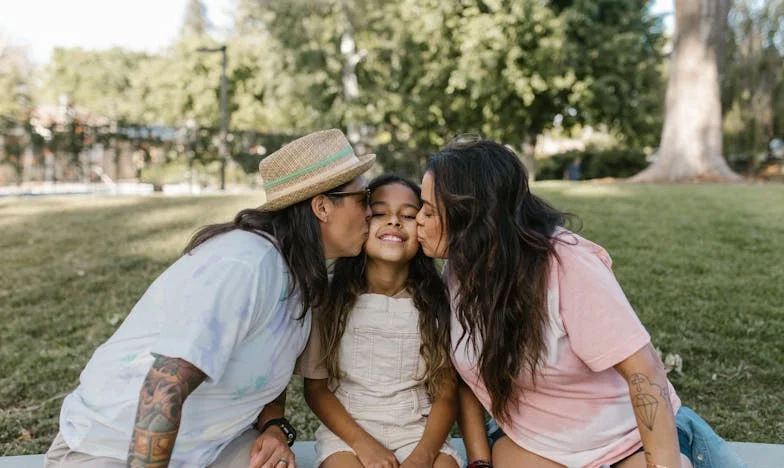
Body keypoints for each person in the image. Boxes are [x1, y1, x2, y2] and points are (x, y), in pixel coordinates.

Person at [44, 129, 375, 468]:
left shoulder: (303, 275)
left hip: (211, 447)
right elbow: (164, 384)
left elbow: (268, 363)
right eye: (364, 198)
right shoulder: (246, 264)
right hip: (116, 449)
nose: (371, 212)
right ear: (321, 206)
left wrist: (272, 425)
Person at [414, 138, 747, 468]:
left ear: (471, 218)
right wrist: (480, 462)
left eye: (429, 211)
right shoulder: (459, 269)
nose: (418, 219)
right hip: (536, 444)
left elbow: (645, 372)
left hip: (627, 439)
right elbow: (469, 375)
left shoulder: (568, 266)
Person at [297, 174, 463, 468]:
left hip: (418, 431)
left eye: (409, 215)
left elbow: (447, 392)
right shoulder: (329, 296)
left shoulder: (437, 299)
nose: (395, 222)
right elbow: (316, 389)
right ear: (362, 222)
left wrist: (423, 456)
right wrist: (365, 447)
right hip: (349, 434)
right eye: (379, 213)